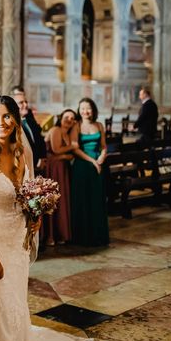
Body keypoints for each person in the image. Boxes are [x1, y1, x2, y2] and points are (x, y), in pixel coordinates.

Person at [0, 96, 116, 341]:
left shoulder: (22, 152)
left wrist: (35, 217)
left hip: (17, 241)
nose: (1, 122)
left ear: (16, 119)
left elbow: (27, 194)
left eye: (7, 116)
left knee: (15, 304)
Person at [70, 97, 109, 246]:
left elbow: (104, 145)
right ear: (79, 111)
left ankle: (98, 236)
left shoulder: (99, 125)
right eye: (82, 109)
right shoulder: (77, 126)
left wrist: (102, 156)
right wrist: (93, 161)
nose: (85, 111)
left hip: (98, 166)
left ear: (93, 110)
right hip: (82, 166)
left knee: (96, 200)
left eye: (88, 108)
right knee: (83, 200)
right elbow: (75, 148)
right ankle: (83, 237)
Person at [43, 109, 78, 246]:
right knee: (52, 200)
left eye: (72, 118)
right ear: (60, 118)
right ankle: (50, 235)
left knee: (62, 201)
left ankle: (61, 234)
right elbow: (56, 149)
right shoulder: (56, 130)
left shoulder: (68, 133)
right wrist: (68, 150)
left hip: (62, 168)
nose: (69, 119)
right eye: (66, 117)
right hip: (53, 168)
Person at [12, 86, 46, 171]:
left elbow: (39, 137)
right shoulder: (11, 125)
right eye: (21, 103)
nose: (26, 105)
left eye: (26, 102)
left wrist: (42, 158)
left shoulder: (30, 119)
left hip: (38, 165)